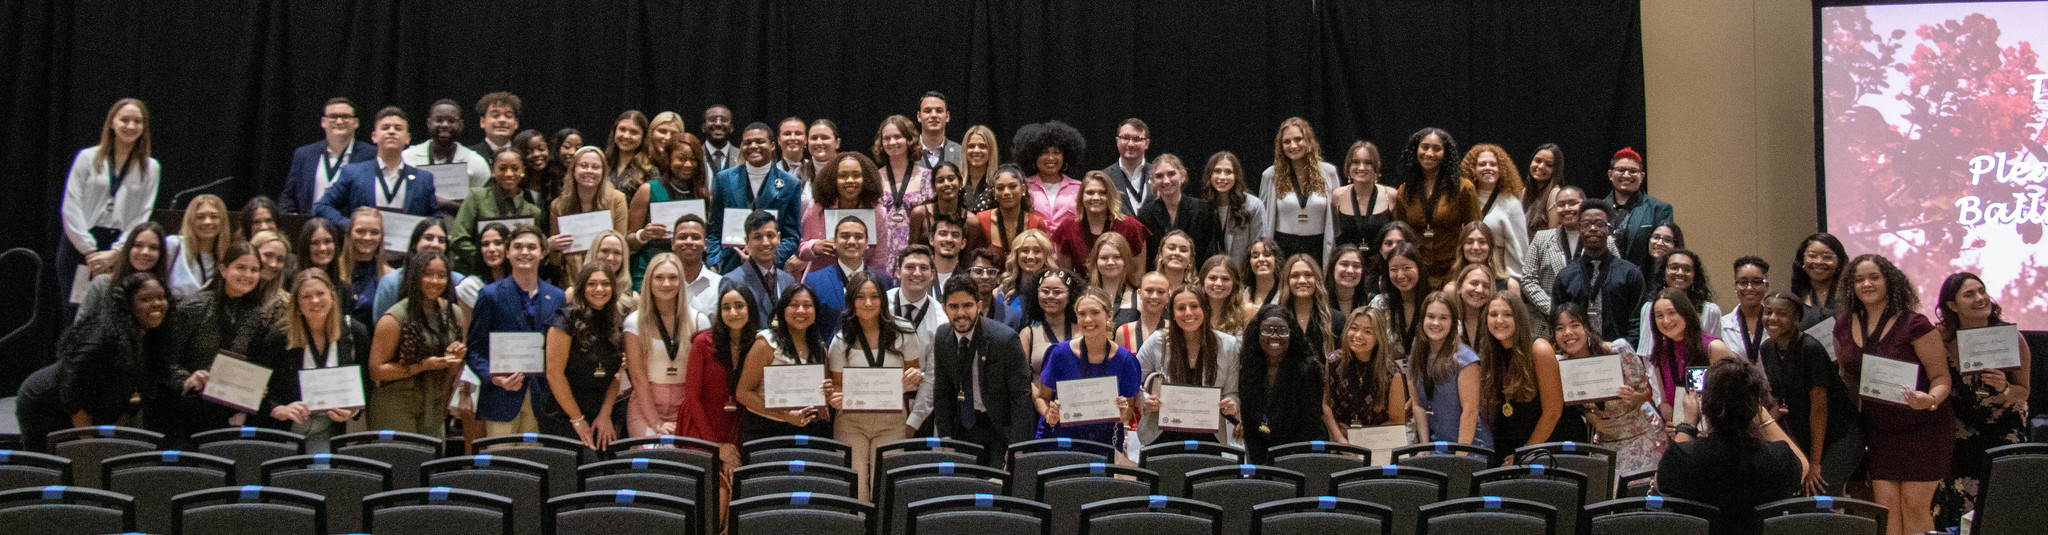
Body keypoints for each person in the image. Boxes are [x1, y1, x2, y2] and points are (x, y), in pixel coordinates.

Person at [1833, 255, 1952, 535]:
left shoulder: (1915, 324)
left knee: (1914, 507)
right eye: (1859, 279)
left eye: (1874, 277)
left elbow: (1941, 378)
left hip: (1925, 428)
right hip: (1881, 430)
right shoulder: (1842, 326)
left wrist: (1930, 400)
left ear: (1889, 280)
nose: (1866, 283)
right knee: (1885, 510)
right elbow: (1847, 376)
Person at [19, 273, 168, 452]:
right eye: (145, 299)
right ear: (128, 304)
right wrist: (87, 443)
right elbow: (74, 392)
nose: (157, 304)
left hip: (88, 404)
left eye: (161, 297)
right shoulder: (101, 337)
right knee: (65, 466)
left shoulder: (147, 334)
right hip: (46, 402)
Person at [1659, 358, 1808, 535]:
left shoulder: (1682, 458)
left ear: (1704, 407)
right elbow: (1803, 466)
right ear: (1754, 409)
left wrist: (1688, 425)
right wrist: (1761, 414)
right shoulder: (1778, 458)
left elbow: (1661, 481)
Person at [1933, 272, 2032, 528]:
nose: (1980, 298)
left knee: (2002, 515)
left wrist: (2006, 388)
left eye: (1982, 291)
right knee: (1956, 516)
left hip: (2003, 436)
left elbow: (2023, 393)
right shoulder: (1939, 340)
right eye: (1969, 294)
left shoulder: (2011, 338)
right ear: (1952, 306)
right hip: (1959, 440)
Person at [154, 242, 272, 446]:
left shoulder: (257, 317)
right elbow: (165, 362)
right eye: (241, 267)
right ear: (223, 269)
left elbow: (253, 366)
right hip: (183, 411)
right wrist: (188, 379)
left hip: (225, 415)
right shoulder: (191, 307)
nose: (248, 274)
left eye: (254, 270)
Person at [825, 272, 925, 499]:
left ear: (883, 300)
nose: (868, 303)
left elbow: (914, 373)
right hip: (851, 423)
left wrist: (914, 376)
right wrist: (835, 398)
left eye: (874, 296)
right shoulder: (841, 340)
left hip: (891, 422)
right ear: (851, 301)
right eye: (860, 297)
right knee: (855, 490)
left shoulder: (904, 332)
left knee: (884, 491)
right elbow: (838, 387)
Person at [462, 226, 565, 438]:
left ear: (543, 253)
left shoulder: (557, 297)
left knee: (534, 466)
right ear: (508, 253)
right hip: (501, 397)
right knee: (501, 465)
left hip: (543, 400)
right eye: (517, 247)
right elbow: (474, 350)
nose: (525, 252)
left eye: (531, 247)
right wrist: (495, 378)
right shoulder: (490, 295)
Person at [1757, 293, 1862, 498]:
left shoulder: (1810, 349)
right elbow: (1780, 399)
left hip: (1840, 435)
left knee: (1819, 495)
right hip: (1805, 434)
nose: (1772, 318)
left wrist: (1814, 463)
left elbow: (1819, 409)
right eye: (1768, 312)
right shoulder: (1767, 349)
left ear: (1796, 318)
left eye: (1781, 314)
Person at [255, 269, 369, 452]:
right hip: (287, 430)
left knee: (319, 476)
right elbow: (258, 386)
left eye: (320, 294)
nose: (315, 301)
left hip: (329, 429)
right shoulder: (279, 337)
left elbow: (366, 383)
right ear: (297, 305)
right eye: (306, 296)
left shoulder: (355, 333)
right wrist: (278, 409)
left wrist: (353, 411)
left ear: (332, 297)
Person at [62, 99, 160, 303]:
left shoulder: (150, 167)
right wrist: (89, 249)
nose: (131, 126)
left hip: (120, 246)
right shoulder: (87, 157)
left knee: (111, 310)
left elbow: (143, 212)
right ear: (111, 123)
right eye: (125, 120)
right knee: (76, 309)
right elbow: (71, 204)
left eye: (137, 121)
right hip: (82, 241)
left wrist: (116, 252)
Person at [932, 276, 1035, 465]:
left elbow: (1021, 395)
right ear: (944, 307)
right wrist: (945, 439)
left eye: (967, 305)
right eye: (954, 306)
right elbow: (942, 392)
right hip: (963, 427)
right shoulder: (942, 337)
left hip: (999, 428)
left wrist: (1016, 447)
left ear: (979, 306)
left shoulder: (1005, 340)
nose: (961, 313)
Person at [1033, 288, 1143, 459]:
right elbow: (1042, 398)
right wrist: (1049, 414)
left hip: (1104, 444)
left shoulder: (1126, 360)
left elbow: (1127, 412)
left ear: (1109, 315)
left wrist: (1123, 413)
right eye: (1082, 313)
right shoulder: (1060, 353)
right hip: (1060, 442)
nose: (1088, 319)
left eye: (1095, 312)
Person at [1553, 303, 1662, 474]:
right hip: (1606, 444)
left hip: (1643, 438)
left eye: (1575, 325)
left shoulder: (1617, 351)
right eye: (1560, 328)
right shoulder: (1560, 364)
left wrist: (1635, 397)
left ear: (1587, 328)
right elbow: (1572, 406)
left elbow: (1648, 393)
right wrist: (1593, 419)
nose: (1568, 333)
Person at [1479, 290, 1580, 461]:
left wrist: (1524, 454)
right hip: (1513, 446)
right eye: (1493, 314)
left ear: (1519, 318)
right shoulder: (1490, 354)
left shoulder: (1539, 349)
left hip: (1548, 449)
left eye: (1507, 314)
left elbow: (1553, 412)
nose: (1499, 320)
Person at [1138, 284, 1243, 445]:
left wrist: (1232, 403)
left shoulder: (1228, 345)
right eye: (1181, 308)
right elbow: (1134, 383)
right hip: (1160, 436)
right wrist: (1145, 400)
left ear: (1205, 309)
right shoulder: (1157, 341)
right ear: (1172, 313)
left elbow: (1232, 391)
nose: (1188, 313)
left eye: (1194, 306)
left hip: (1210, 437)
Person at [543, 262, 627, 448]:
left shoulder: (616, 322)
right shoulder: (564, 320)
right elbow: (554, 375)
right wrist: (577, 419)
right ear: (581, 288)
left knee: (603, 473)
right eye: (592, 284)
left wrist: (605, 414)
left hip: (602, 415)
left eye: (606, 284)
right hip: (564, 415)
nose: (599, 289)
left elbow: (616, 375)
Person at [735, 284, 834, 440]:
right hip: (767, 429)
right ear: (782, 309)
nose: (801, 310)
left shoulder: (819, 348)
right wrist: (786, 416)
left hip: (810, 429)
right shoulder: (766, 343)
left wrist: (827, 393)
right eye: (794, 305)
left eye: (808, 305)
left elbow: (823, 399)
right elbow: (743, 393)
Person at [706, 123, 804, 272]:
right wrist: (715, 263)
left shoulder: (790, 184)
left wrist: (767, 257)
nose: (753, 146)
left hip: (771, 268)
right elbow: (714, 230)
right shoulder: (723, 179)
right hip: (728, 267)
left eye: (759, 141)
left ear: (772, 145)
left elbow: (792, 236)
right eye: (747, 142)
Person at [316, 106, 440, 224]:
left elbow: (436, 218)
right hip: (364, 242)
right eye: (385, 128)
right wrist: (350, 226)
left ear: (407, 138)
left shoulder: (424, 179)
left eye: (398, 128)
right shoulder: (353, 173)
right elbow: (323, 206)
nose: (391, 131)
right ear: (374, 137)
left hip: (407, 245)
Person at [680, 282, 752, 480]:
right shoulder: (703, 342)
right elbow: (692, 398)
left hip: (737, 429)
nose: (733, 312)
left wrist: (731, 449)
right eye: (726, 307)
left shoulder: (757, 344)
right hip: (701, 427)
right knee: (717, 490)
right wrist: (717, 448)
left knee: (737, 486)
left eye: (739, 305)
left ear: (750, 308)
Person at [1237, 305, 1330, 459]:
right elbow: (1248, 418)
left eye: (1282, 330)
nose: (1274, 336)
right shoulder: (1248, 366)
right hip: (1258, 449)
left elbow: (1310, 424)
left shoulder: (1307, 369)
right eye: (1267, 329)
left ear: (1291, 334)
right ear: (1257, 332)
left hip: (1296, 453)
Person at [623, 254, 696, 438]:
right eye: (659, 277)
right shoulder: (634, 322)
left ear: (681, 281)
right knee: (651, 458)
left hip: (686, 405)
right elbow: (638, 377)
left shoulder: (698, 321)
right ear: (649, 281)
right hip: (646, 405)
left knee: (685, 460)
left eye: (673, 278)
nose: (666, 284)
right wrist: (656, 422)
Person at [1552, 199, 1646, 342]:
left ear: (1609, 229)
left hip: (1620, 355)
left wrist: (1624, 351)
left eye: (1599, 224)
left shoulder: (1629, 273)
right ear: (1579, 229)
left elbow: (1638, 321)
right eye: (1586, 224)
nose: (1593, 228)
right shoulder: (1565, 277)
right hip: (1578, 357)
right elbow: (1557, 321)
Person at [1391, 127, 1479, 277]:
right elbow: (1400, 233)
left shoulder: (1463, 188)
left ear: (1445, 154)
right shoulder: (1405, 190)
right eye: (1425, 147)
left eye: (1437, 149)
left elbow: (1475, 229)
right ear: (1416, 150)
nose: (1430, 153)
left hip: (1453, 269)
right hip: (1416, 272)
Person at [626, 135, 711, 287]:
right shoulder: (648, 190)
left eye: (694, 159)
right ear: (669, 158)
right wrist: (643, 235)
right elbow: (629, 241)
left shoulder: (702, 194)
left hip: (691, 273)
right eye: (681, 158)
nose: (688, 164)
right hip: (650, 271)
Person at [1322, 307, 1410, 446]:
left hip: (1379, 443)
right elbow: (1326, 405)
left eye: (1367, 331)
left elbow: (1397, 421)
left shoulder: (1392, 372)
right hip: (1340, 442)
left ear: (1378, 337)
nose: (1358, 335)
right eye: (1354, 328)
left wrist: (1359, 437)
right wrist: (1340, 439)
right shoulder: (1333, 361)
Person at [1645, 288, 1737, 422]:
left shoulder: (1714, 348)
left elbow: (1739, 396)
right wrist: (1670, 425)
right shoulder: (1660, 352)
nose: (1666, 320)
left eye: (1672, 313)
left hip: (1716, 431)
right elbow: (1665, 402)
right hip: (1681, 434)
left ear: (1686, 313)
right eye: (1659, 315)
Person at [1411, 291, 1489, 448]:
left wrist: (1460, 457)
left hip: (1470, 447)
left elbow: (1470, 413)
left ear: (1453, 323)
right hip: (1436, 446)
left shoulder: (1466, 360)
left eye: (1443, 318)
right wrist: (1424, 446)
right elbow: (1417, 405)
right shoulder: (1416, 356)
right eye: (1430, 316)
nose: (1436, 323)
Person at [451, 149, 545, 275]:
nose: (509, 174)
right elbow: (458, 240)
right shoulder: (476, 197)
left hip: (517, 276)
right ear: (493, 170)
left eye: (515, 168)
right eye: (502, 168)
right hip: (475, 273)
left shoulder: (532, 211)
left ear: (523, 170)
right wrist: (488, 260)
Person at [796, 153, 893, 275]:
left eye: (857, 175)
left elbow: (878, 260)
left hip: (861, 283)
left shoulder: (878, 213)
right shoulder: (817, 207)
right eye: (843, 176)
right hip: (819, 281)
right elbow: (800, 249)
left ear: (866, 179)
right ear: (833, 179)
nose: (850, 181)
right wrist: (814, 246)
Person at [802, 215, 897, 340]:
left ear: (867, 243)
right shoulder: (814, 281)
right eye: (845, 236)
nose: (851, 241)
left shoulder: (884, 281)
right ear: (834, 242)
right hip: (830, 356)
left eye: (858, 237)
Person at [1259, 117, 1339, 262]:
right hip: (1283, 246)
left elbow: (1336, 218)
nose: (1293, 145)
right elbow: (1263, 220)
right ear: (1280, 146)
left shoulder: (1328, 172)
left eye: (1298, 139)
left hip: (1318, 246)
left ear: (1308, 141)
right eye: (1287, 141)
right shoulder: (1270, 175)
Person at [1523, 186, 1603, 329]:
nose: (1566, 208)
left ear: (1584, 204)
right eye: (1560, 205)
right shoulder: (1541, 238)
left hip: (1593, 323)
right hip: (1547, 323)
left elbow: (1614, 275)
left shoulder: (1603, 239)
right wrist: (1555, 310)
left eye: (1573, 203)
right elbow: (1528, 279)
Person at [281, 97, 375, 214]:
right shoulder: (304, 155)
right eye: (333, 116)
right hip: (311, 228)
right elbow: (289, 196)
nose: (339, 121)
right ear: (323, 122)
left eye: (345, 116)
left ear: (356, 122)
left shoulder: (371, 155)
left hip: (350, 228)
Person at [370, 217, 471, 321]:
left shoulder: (458, 281)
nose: (435, 244)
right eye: (428, 238)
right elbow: (380, 326)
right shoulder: (391, 282)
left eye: (441, 240)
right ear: (415, 243)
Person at [1051, 171, 1148, 275]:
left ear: (1111, 196)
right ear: (1081, 196)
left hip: (1123, 289)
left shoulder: (1131, 226)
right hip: (1082, 290)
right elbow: (1066, 274)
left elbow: (1138, 272)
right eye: (1090, 192)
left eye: (1103, 193)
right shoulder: (1067, 227)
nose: (1096, 197)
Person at [553, 146, 632, 268]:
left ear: (603, 172)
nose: (589, 171)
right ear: (573, 170)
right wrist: (552, 246)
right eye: (583, 166)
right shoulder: (558, 205)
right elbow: (555, 260)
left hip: (608, 270)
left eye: (595, 167)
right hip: (571, 275)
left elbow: (620, 245)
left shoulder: (617, 199)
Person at [1136, 154, 1222, 264]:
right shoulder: (1145, 214)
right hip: (1158, 278)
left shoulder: (1202, 210)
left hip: (1195, 278)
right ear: (1152, 181)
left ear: (1182, 176)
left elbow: (1210, 254)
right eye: (1159, 176)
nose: (1166, 181)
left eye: (1171, 174)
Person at [74, 221, 168, 322]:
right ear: (128, 249)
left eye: (153, 247)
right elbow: (79, 327)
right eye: (138, 245)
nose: (145, 252)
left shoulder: (165, 293)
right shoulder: (102, 284)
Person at [1459, 143, 1529, 279]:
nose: (1488, 168)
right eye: (1482, 164)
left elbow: (1519, 247)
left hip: (1498, 276)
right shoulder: (1463, 198)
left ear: (1501, 169)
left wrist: (1512, 281)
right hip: (1466, 275)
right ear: (1472, 169)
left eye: (1493, 164)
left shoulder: (1511, 203)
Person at [873, 115, 934, 267]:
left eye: (898, 137)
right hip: (880, 256)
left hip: (916, 258)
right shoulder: (873, 178)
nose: (892, 142)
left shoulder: (928, 177)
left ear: (909, 139)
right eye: (887, 138)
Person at [1602, 148, 1673, 270]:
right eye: (1621, 170)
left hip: (1643, 282)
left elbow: (1663, 253)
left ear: (1642, 176)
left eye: (1632, 171)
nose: (1626, 175)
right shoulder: (1598, 209)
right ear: (1610, 175)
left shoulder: (1658, 209)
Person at [1638, 248, 1722, 351]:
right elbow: (1646, 354)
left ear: (1695, 275)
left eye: (1687, 269)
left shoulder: (1710, 311)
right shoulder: (1649, 309)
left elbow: (1713, 353)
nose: (1680, 272)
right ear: (1664, 272)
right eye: (1674, 267)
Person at [403, 99, 491, 196]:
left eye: (451, 121)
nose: (445, 125)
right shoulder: (408, 157)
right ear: (429, 123)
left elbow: (482, 203)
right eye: (439, 120)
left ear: (460, 125)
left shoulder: (475, 162)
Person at [724, 211, 796, 327]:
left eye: (770, 235)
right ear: (747, 242)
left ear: (778, 238)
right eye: (757, 237)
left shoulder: (788, 281)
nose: (765, 242)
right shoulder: (732, 281)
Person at [1014, 121, 1086, 227]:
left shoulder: (1078, 187)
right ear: (1034, 156)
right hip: (1034, 242)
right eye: (1044, 152)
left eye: (1056, 152)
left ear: (1065, 156)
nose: (1051, 158)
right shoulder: (1024, 186)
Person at [1331, 141, 1396, 255]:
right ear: (1348, 165)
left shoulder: (1390, 195)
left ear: (1376, 166)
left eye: (1368, 162)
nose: (1361, 167)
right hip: (1349, 268)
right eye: (1355, 162)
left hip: (1381, 267)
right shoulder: (1337, 196)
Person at [1204, 151, 1268, 262]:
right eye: (1217, 171)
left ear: (1236, 176)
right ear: (1210, 175)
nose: (1222, 177)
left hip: (1243, 274)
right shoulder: (1203, 206)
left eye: (1228, 172)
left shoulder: (1253, 205)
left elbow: (1260, 245)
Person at [163, 195, 231, 298]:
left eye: (214, 216)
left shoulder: (227, 256)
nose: (207, 222)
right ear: (190, 220)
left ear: (223, 221)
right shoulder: (173, 245)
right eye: (200, 217)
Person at [908, 162, 985, 252]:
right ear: (933, 187)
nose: (946, 184)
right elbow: (912, 253)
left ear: (960, 183)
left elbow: (967, 260)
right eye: (940, 180)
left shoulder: (971, 221)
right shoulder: (920, 214)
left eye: (951, 179)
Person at [975, 164, 1048, 257]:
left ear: (1023, 190)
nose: (1006, 192)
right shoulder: (981, 220)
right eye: (1000, 188)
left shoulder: (1037, 223)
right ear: (994, 193)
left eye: (1012, 186)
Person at [1370, 243, 1430, 352]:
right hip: (1388, 368)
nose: (1400, 275)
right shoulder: (1380, 304)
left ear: (1419, 269)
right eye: (1393, 269)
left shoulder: (1433, 304)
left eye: (1406, 268)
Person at [1018, 269, 1079, 373]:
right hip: (1038, 389)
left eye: (1057, 292)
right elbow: (1022, 377)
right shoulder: (1027, 334)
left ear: (1070, 296)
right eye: (1045, 291)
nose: (1050, 296)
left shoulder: (1083, 330)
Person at [995, 229, 1055, 330]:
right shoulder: (1000, 293)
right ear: (1016, 255)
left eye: (1037, 251)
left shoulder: (1054, 292)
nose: (1030, 256)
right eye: (1025, 250)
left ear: (1046, 256)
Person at [341, 208, 389, 327]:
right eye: (360, 231)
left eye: (374, 232)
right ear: (349, 233)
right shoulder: (333, 270)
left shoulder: (390, 277)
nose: (367, 237)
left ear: (381, 236)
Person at [1791, 232, 1849, 330]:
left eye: (1827, 257)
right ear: (1802, 259)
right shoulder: (1798, 294)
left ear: (1839, 261)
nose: (1818, 262)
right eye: (1812, 256)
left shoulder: (1850, 294)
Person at [668, 214, 724, 315]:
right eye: (682, 237)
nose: (689, 242)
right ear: (673, 243)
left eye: (696, 237)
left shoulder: (719, 285)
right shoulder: (663, 284)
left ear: (706, 244)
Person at [1280, 254, 1334, 355]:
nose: (1302, 281)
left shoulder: (1335, 319)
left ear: (1317, 279)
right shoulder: (1277, 318)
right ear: (1287, 280)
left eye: (1308, 275)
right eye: (1295, 276)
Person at [1719, 256, 1771, 361]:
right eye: (1743, 282)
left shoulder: (1776, 322)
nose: (1749, 288)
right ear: (1735, 286)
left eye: (1756, 282)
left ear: (1766, 285)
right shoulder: (1722, 326)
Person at [454, 223, 512, 307]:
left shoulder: (521, 283)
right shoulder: (471, 286)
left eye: (498, 243)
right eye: (485, 244)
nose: (491, 249)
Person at [1113, 271, 1170, 351]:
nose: (1154, 296)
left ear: (1168, 297)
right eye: (1149, 290)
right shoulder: (1124, 332)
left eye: (1161, 292)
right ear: (1139, 293)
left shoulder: (1173, 329)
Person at [1200, 256, 1256, 336]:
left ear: (1234, 283)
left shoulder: (1247, 312)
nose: (1218, 283)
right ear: (1203, 281)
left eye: (1225, 279)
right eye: (1213, 278)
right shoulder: (1194, 310)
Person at [1103, 118, 1152, 210]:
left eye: (1137, 139)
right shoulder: (1104, 177)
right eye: (1125, 138)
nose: (1130, 144)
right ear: (1117, 141)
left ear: (1146, 143)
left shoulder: (1159, 175)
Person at [604, 110, 655, 193]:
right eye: (622, 129)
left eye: (634, 132)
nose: (626, 136)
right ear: (614, 132)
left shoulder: (649, 171)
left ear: (643, 138)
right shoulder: (602, 163)